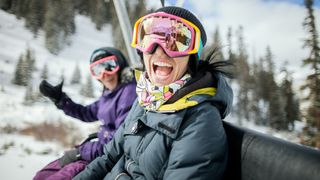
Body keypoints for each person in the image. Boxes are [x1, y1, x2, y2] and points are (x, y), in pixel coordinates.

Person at [74, 6, 233, 180]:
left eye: (177, 41)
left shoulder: (200, 121)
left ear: (192, 57)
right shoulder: (144, 99)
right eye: (149, 38)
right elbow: (108, 158)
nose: (159, 50)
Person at [33, 47, 137, 180]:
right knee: (43, 175)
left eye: (109, 66)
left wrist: (80, 152)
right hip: (96, 151)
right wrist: (61, 100)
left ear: (121, 66)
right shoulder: (109, 95)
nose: (104, 74)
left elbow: (120, 141)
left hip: (105, 158)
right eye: (97, 70)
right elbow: (86, 113)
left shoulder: (128, 92)